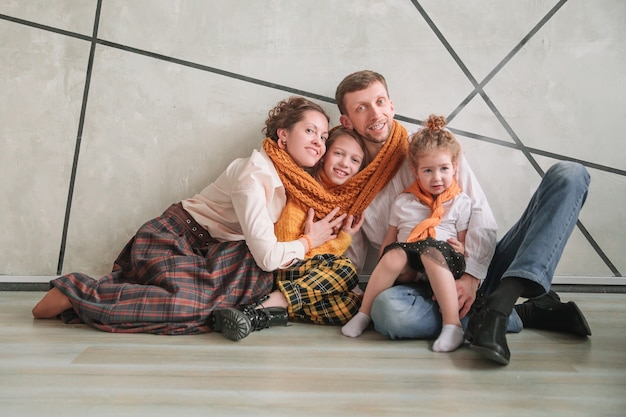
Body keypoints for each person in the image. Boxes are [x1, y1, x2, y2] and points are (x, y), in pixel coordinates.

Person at [32, 96, 352, 337]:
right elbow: (268, 256)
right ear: (283, 135)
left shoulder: (294, 181)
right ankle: (77, 292)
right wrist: (309, 241)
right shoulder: (254, 174)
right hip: (173, 239)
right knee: (189, 307)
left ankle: (251, 312)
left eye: (324, 137)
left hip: (215, 252)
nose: (319, 143)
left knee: (218, 306)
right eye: (310, 131)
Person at [335, 70, 592, 365]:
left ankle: (502, 301)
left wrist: (470, 278)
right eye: (361, 108)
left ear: (391, 105)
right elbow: (352, 255)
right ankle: (515, 313)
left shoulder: (429, 149)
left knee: (570, 175)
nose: (375, 113)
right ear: (347, 122)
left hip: (476, 267)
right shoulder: (350, 177)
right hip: (419, 285)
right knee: (387, 313)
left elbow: (480, 217)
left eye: (380, 101)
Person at [342, 114, 471, 354]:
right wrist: (384, 267)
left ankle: (452, 326)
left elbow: (463, 244)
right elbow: (389, 242)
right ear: (415, 170)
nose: (437, 177)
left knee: (430, 250)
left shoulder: (460, 202)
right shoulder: (404, 201)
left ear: (454, 167)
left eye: (444, 169)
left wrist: (463, 251)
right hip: (410, 262)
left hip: (443, 260)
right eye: (428, 170)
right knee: (393, 255)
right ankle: (364, 314)